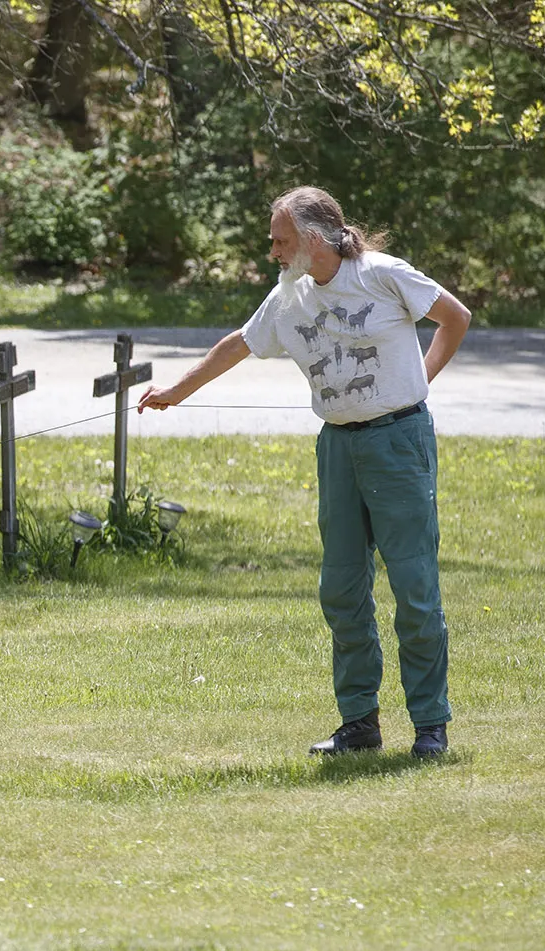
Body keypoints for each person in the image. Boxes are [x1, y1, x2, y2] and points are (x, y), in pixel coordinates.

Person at [139, 186, 473, 758]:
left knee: (414, 590)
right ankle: (359, 725)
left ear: (313, 239)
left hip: (398, 442)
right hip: (337, 449)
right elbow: (236, 346)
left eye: (280, 239)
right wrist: (175, 391)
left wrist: (418, 379)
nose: (272, 250)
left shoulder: (382, 275)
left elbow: (455, 318)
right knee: (342, 591)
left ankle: (430, 728)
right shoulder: (288, 295)